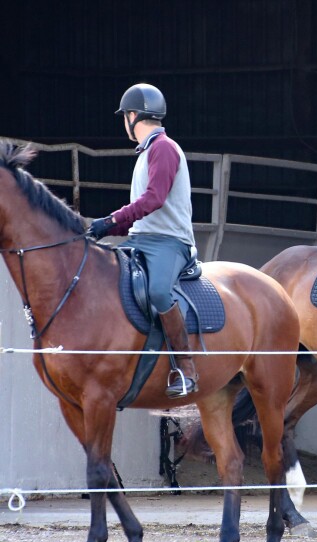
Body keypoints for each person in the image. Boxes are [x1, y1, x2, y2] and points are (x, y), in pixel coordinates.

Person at [87, 83, 198, 399]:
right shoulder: (147, 152)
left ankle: (186, 368)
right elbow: (141, 216)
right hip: (141, 240)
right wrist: (106, 232)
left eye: (125, 117)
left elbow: (154, 200)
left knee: (159, 291)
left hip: (170, 242)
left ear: (132, 116)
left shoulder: (163, 148)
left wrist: (111, 220)